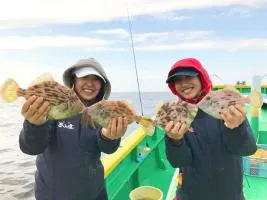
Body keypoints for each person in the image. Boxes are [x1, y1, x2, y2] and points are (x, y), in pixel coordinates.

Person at [19, 58, 128, 200]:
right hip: (53, 195)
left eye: (96, 79)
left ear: (102, 85)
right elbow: (31, 148)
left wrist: (109, 137)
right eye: (84, 77)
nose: (90, 83)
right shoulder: (55, 105)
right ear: (73, 80)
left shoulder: (102, 111)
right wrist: (34, 124)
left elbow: (108, 148)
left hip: (94, 192)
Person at [164, 58, 257, 200]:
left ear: (201, 78)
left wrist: (236, 127)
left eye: (188, 77)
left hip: (229, 194)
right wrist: (175, 141)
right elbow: (178, 162)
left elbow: (247, 149)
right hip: (191, 194)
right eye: (177, 80)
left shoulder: (224, 104)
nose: (183, 84)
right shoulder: (176, 114)